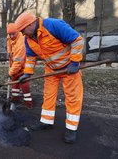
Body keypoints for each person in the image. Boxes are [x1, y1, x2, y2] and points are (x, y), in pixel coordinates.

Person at [15, 12, 84, 144]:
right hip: (51, 69)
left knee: (73, 98)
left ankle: (71, 129)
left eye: (23, 30)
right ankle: (46, 122)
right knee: (48, 96)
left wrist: (75, 63)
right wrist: (27, 73)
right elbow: (30, 57)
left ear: (30, 24)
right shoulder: (28, 39)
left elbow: (77, 40)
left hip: (69, 68)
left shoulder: (53, 25)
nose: (23, 34)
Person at [7, 23, 32, 109]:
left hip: (24, 67)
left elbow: (18, 62)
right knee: (14, 83)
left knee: (24, 84)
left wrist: (10, 72)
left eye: (13, 34)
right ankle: (15, 99)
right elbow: (9, 47)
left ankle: (28, 103)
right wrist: (9, 53)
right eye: (9, 34)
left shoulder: (21, 42)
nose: (11, 36)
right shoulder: (9, 38)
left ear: (17, 32)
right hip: (15, 66)